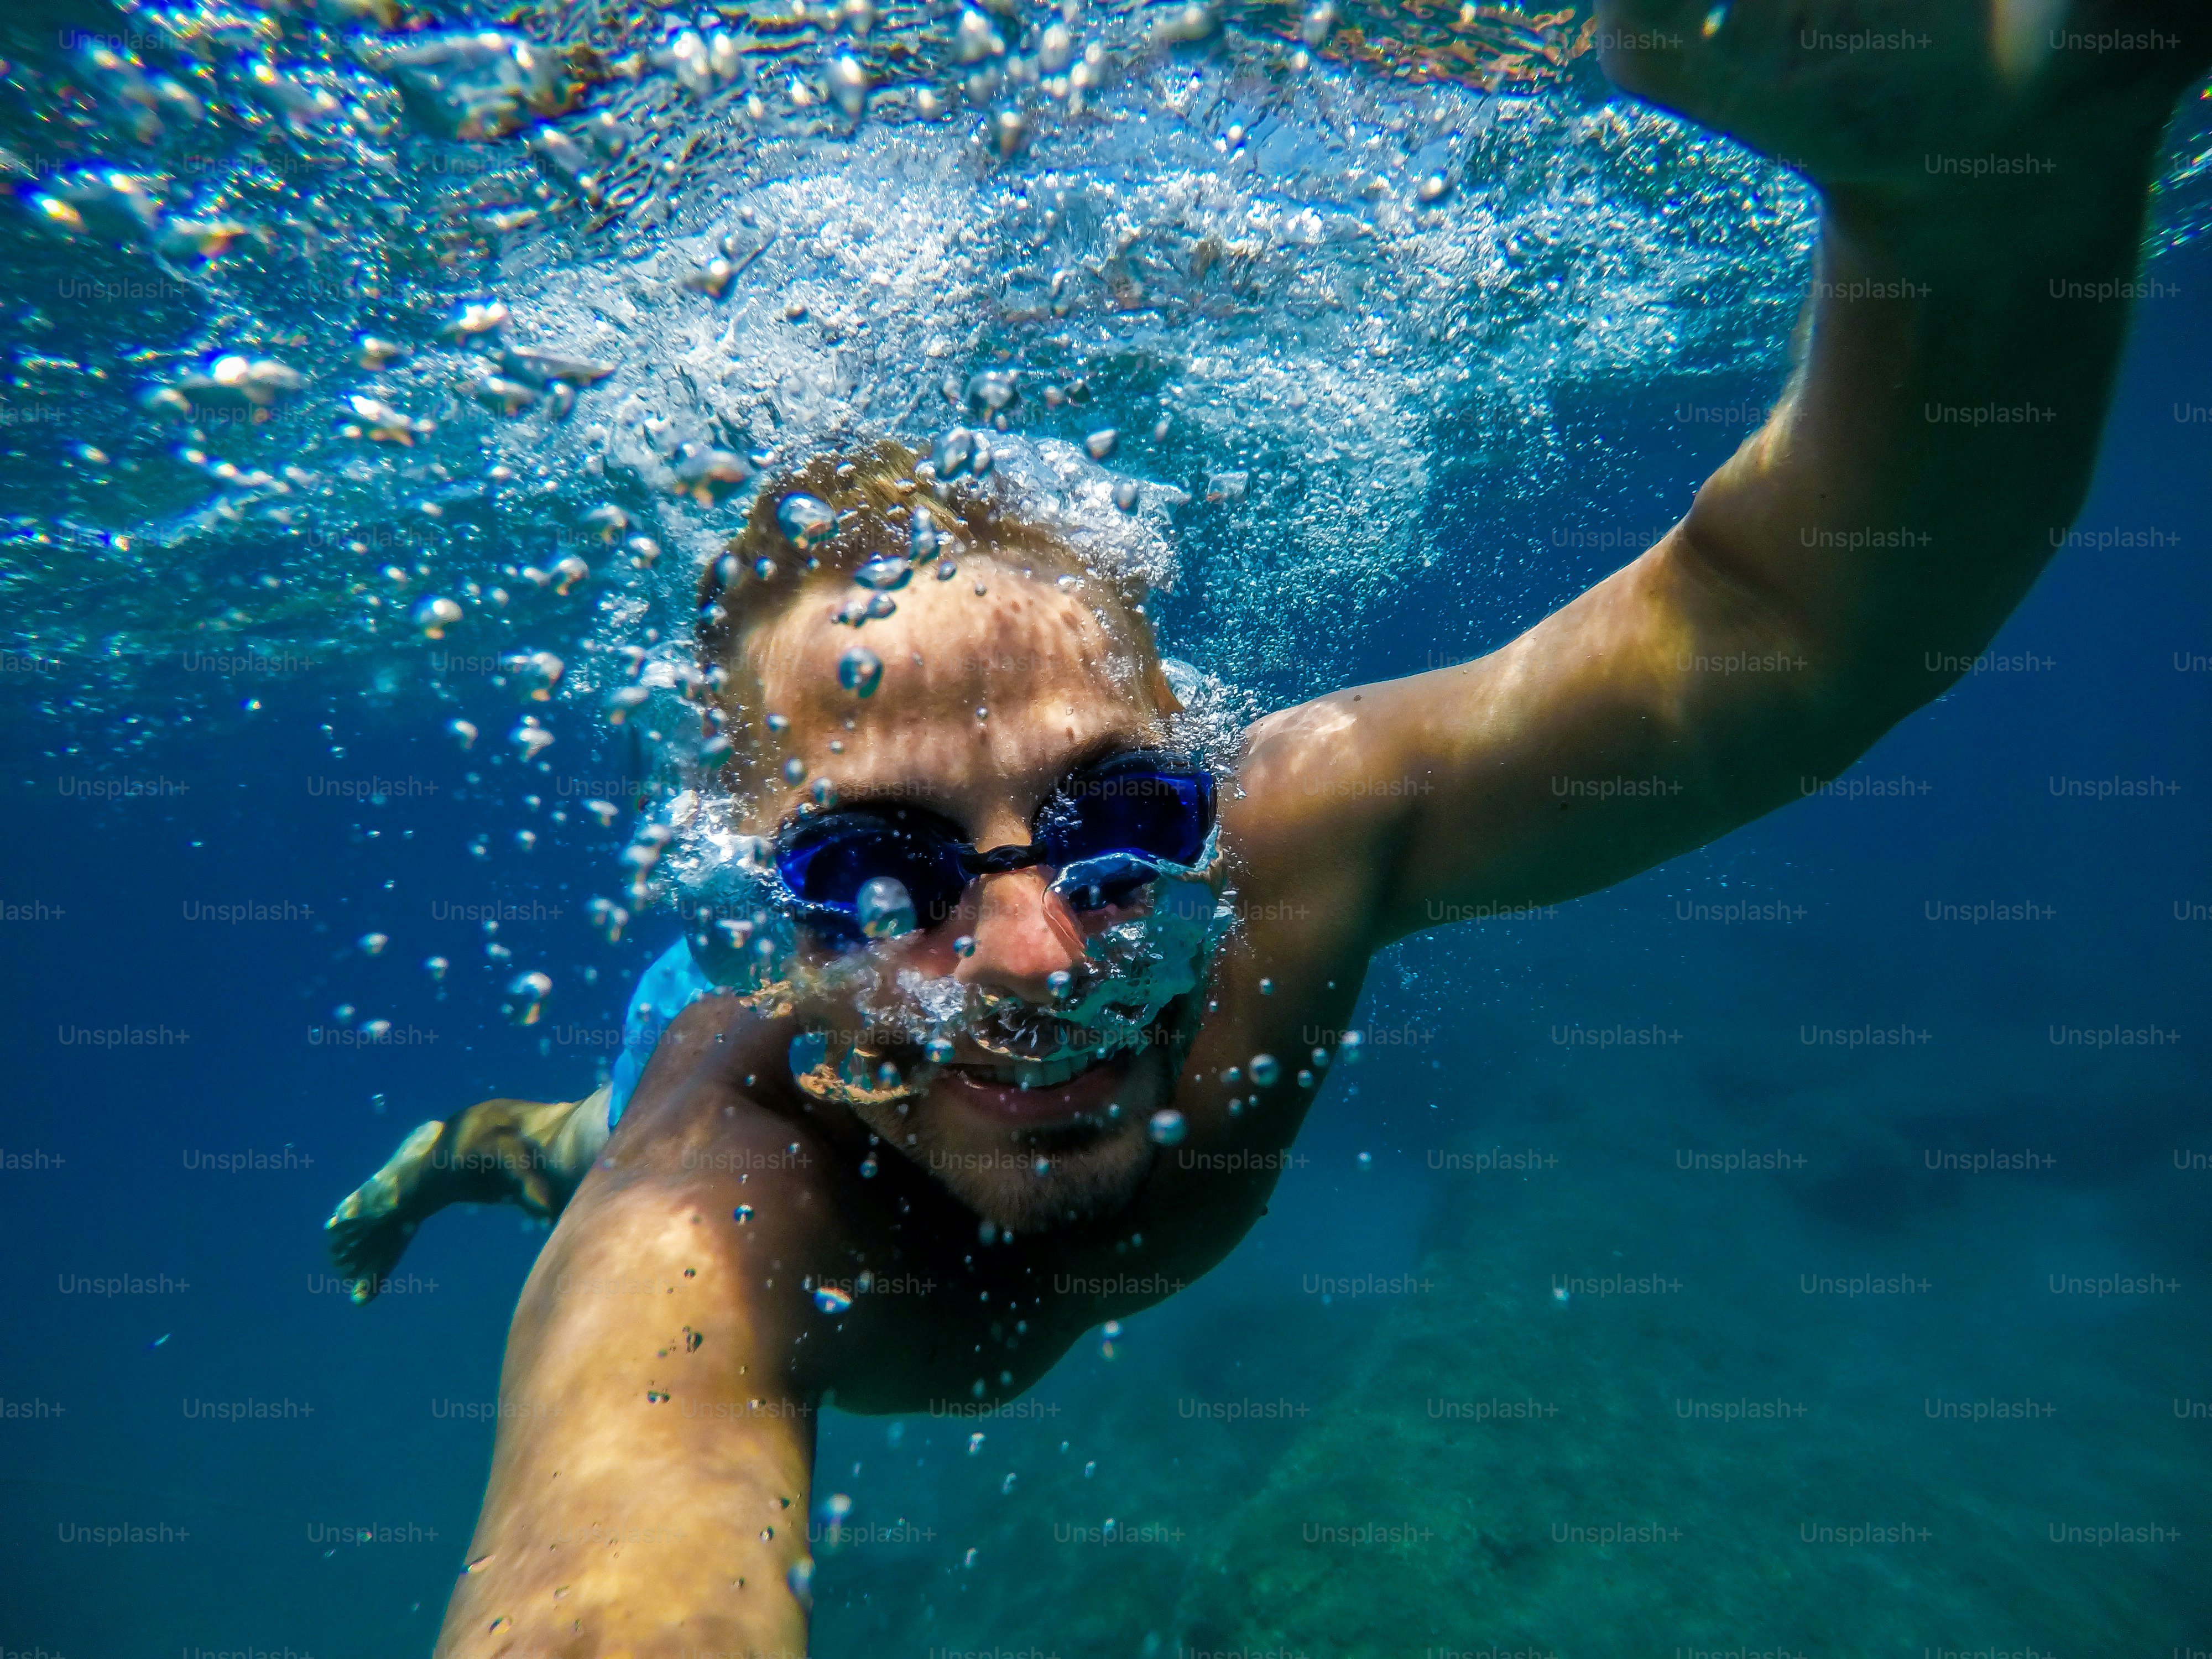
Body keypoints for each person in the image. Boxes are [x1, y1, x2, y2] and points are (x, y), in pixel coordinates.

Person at [328, 5, 2208, 1648]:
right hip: (664, 1086)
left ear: (1197, 785)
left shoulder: (1287, 846)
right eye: (876, 881)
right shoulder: (711, 1204)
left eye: (1112, 820)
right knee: (581, 1139)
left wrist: (1986, 203)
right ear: (769, 915)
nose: (1037, 961)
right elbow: (600, 1554)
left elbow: (1786, 625)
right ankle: (463, 1147)